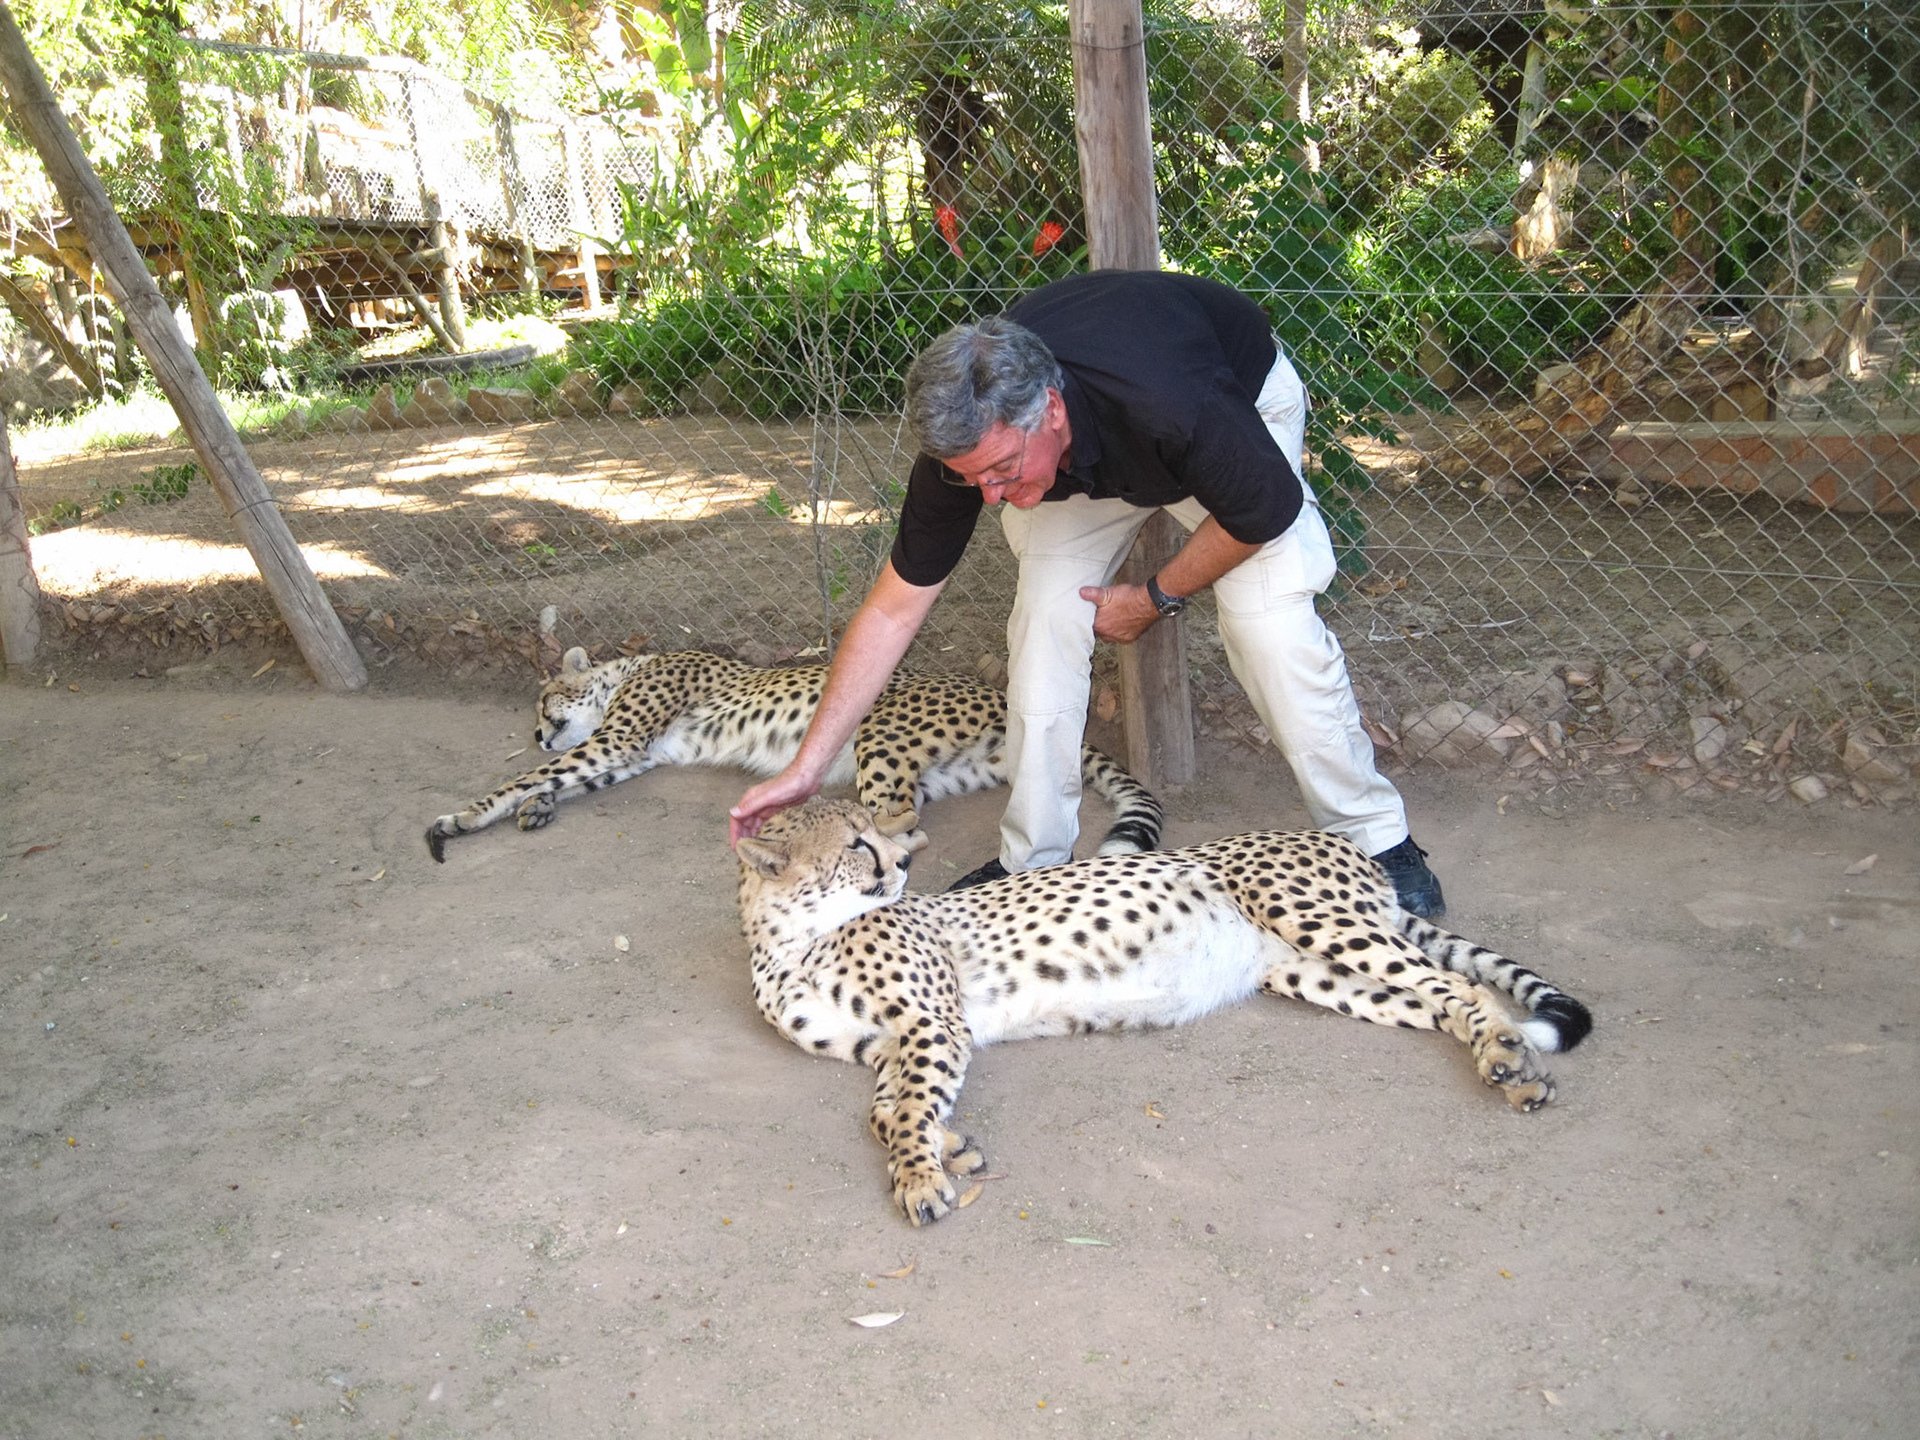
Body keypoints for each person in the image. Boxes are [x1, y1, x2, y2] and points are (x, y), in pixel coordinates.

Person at [729, 269, 1445, 917]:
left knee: (1268, 626)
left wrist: (1156, 596)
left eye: (1002, 470)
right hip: (1090, 462)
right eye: (974, 478)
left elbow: (1262, 510)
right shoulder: (972, 451)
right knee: (1044, 620)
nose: (990, 495)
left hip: (1233, 421)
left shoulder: (1174, 400)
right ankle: (1032, 866)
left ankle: (1377, 839)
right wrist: (807, 766)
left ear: (1051, 410)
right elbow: (892, 608)